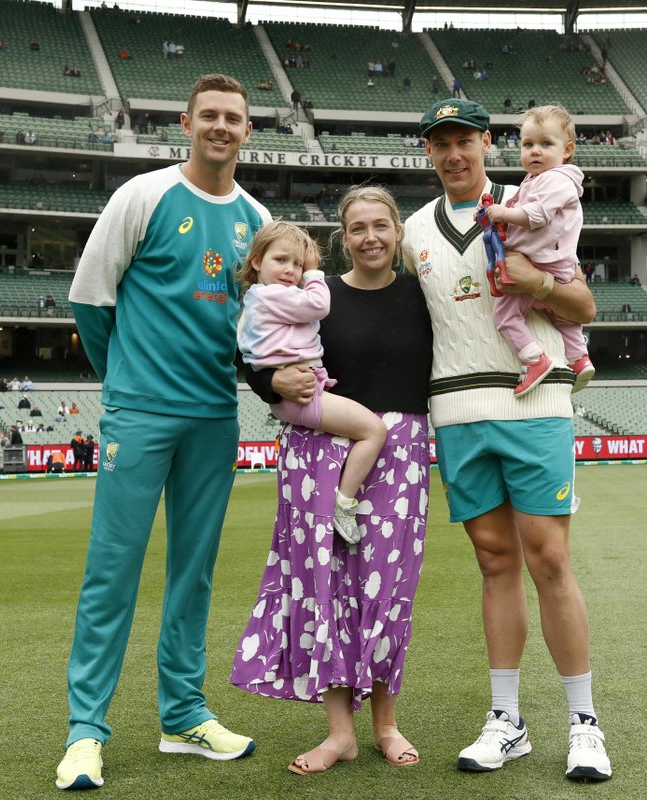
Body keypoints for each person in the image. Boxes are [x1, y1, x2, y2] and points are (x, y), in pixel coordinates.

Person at [56, 73, 271, 792]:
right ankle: (86, 732)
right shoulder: (142, 196)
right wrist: (125, 380)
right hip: (140, 414)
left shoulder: (255, 217)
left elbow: (262, 328)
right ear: (186, 122)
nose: (220, 126)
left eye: (232, 118)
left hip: (215, 416)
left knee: (194, 573)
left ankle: (183, 714)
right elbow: (91, 298)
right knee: (112, 572)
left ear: (248, 130)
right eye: (208, 114)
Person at [402, 98, 610, 781]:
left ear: (487, 143)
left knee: (549, 558)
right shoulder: (412, 232)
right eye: (441, 145)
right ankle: (507, 720)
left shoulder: (534, 199)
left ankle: (584, 723)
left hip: (536, 403)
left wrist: (537, 281)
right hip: (457, 411)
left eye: (465, 140)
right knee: (494, 563)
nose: (454, 154)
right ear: (429, 154)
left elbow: (582, 307)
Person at [234, 185, 433, 775]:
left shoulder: (424, 295)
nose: (369, 237)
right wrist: (272, 386)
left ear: (397, 232)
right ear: (341, 239)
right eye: (356, 228)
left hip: (399, 453)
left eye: (380, 225)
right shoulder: (314, 295)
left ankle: (386, 725)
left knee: (388, 589)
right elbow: (253, 357)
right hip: (317, 448)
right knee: (327, 589)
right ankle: (340, 733)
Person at [238, 221, 387, 543]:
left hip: (297, 390)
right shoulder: (271, 295)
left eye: (297, 263)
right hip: (299, 395)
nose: (291, 270)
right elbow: (318, 305)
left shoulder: (256, 299)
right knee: (374, 431)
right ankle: (344, 503)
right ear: (256, 261)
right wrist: (314, 273)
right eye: (282, 260)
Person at [475, 104, 595, 397]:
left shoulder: (558, 179)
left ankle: (534, 359)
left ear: (567, 150)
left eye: (545, 144)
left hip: (545, 263)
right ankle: (579, 358)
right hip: (548, 260)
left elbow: (535, 215)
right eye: (528, 144)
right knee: (563, 317)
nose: (535, 151)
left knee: (505, 315)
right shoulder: (536, 180)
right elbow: (519, 207)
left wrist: (500, 213)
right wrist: (493, 211)